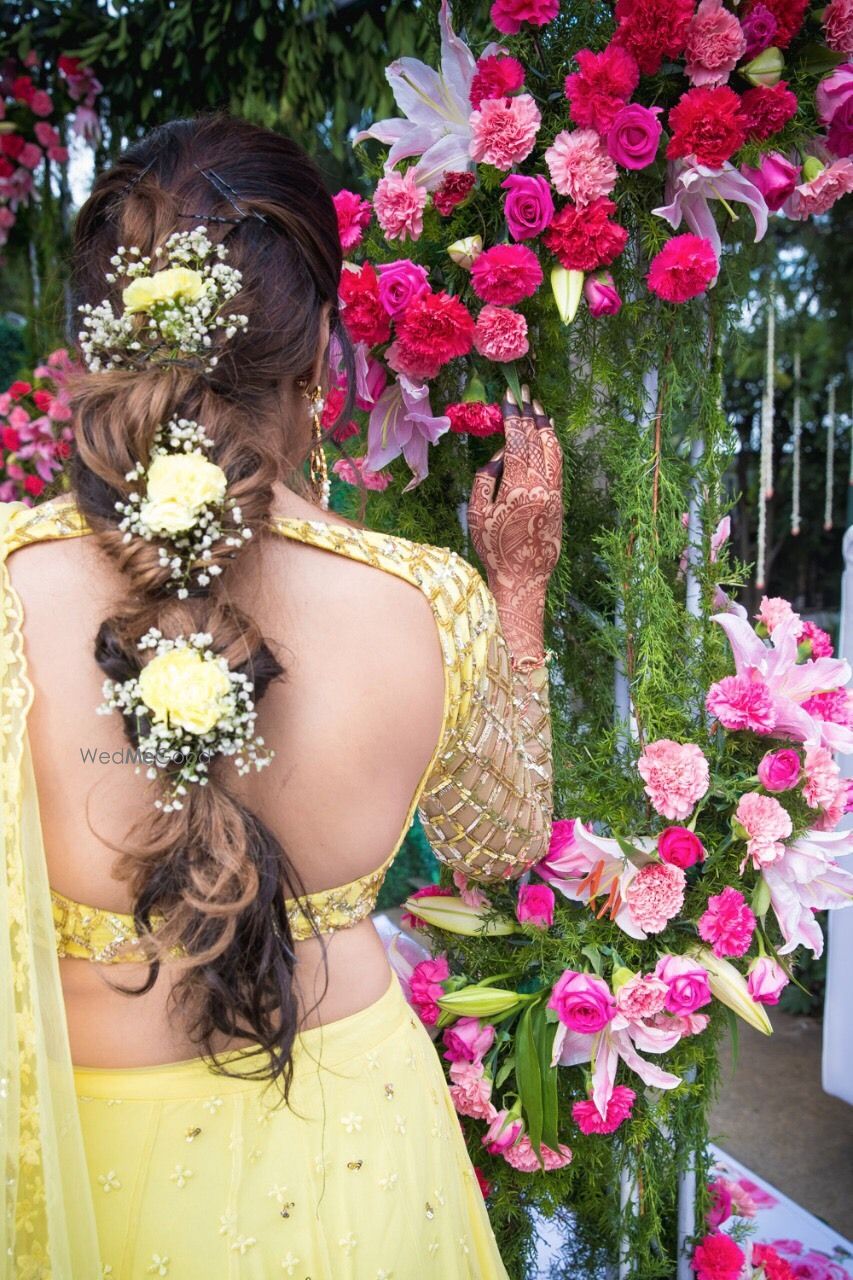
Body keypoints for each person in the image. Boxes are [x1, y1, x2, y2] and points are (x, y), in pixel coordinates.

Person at [0, 114, 563, 1278]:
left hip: (78, 1161)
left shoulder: (9, 582)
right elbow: (501, 841)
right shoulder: (427, 603)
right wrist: (517, 600)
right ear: (317, 356)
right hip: (353, 1155)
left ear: (101, 347)